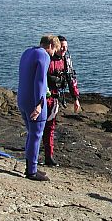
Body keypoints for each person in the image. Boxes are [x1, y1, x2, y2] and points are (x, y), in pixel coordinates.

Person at [17, 35, 61, 181]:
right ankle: (31, 172)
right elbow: (40, 82)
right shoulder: (44, 55)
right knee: (36, 135)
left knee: (31, 134)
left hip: (22, 99)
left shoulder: (27, 52)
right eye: (55, 50)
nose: (54, 54)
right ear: (51, 46)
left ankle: (31, 167)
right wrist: (39, 104)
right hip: (33, 101)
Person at [42, 35, 80, 167]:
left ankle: (48, 156)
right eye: (62, 47)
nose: (64, 49)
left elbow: (71, 79)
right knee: (38, 127)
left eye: (66, 47)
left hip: (55, 98)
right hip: (43, 97)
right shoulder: (46, 58)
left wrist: (76, 99)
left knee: (50, 127)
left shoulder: (66, 60)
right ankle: (33, 156)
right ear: (55, 46)